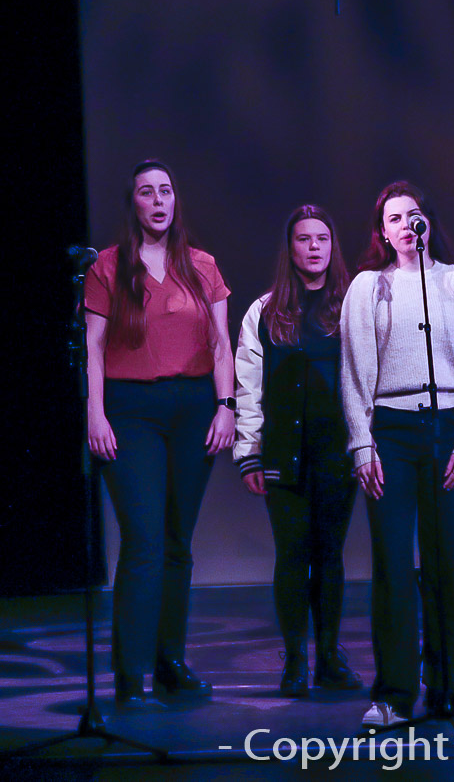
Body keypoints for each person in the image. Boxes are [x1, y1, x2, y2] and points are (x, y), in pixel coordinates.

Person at [341, 181, 454, 726]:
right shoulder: (368, 286)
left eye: (413, 215)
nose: (406, 225)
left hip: (445, 427)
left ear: (427, 221)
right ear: (382, 232)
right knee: (394, 565)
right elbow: (355, 370)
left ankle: (445, 688)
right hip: (392, 431)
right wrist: (362, 443)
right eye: (394, 218)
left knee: (447, 563)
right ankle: (394, 694)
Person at [84, 159, 234, 708]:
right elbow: (94, 347)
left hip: (193, 408)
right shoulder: (108, 267)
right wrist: (95, 413)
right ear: (134, 203)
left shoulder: (201, 265)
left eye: (165, 191)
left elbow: (222, 344)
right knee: (144, 540)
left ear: (175, 200)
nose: (158, 201)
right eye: (147, 192)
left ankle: (170, 663)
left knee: (176, 542)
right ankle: (130, 675)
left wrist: (226, 406)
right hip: (131, 411)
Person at [234, 205, 361, 696]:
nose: (314, 247)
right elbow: (249, 386)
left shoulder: (351, 307)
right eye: (304, 239)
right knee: (292, 555)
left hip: (337, 454)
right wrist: (249, 452)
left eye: (322, 239)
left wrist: (365, 445)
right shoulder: (265, 312)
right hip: (283, 455)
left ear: (332, 246)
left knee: (329, 556)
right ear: (290, 248)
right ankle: (294, 662)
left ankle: (328, 658)